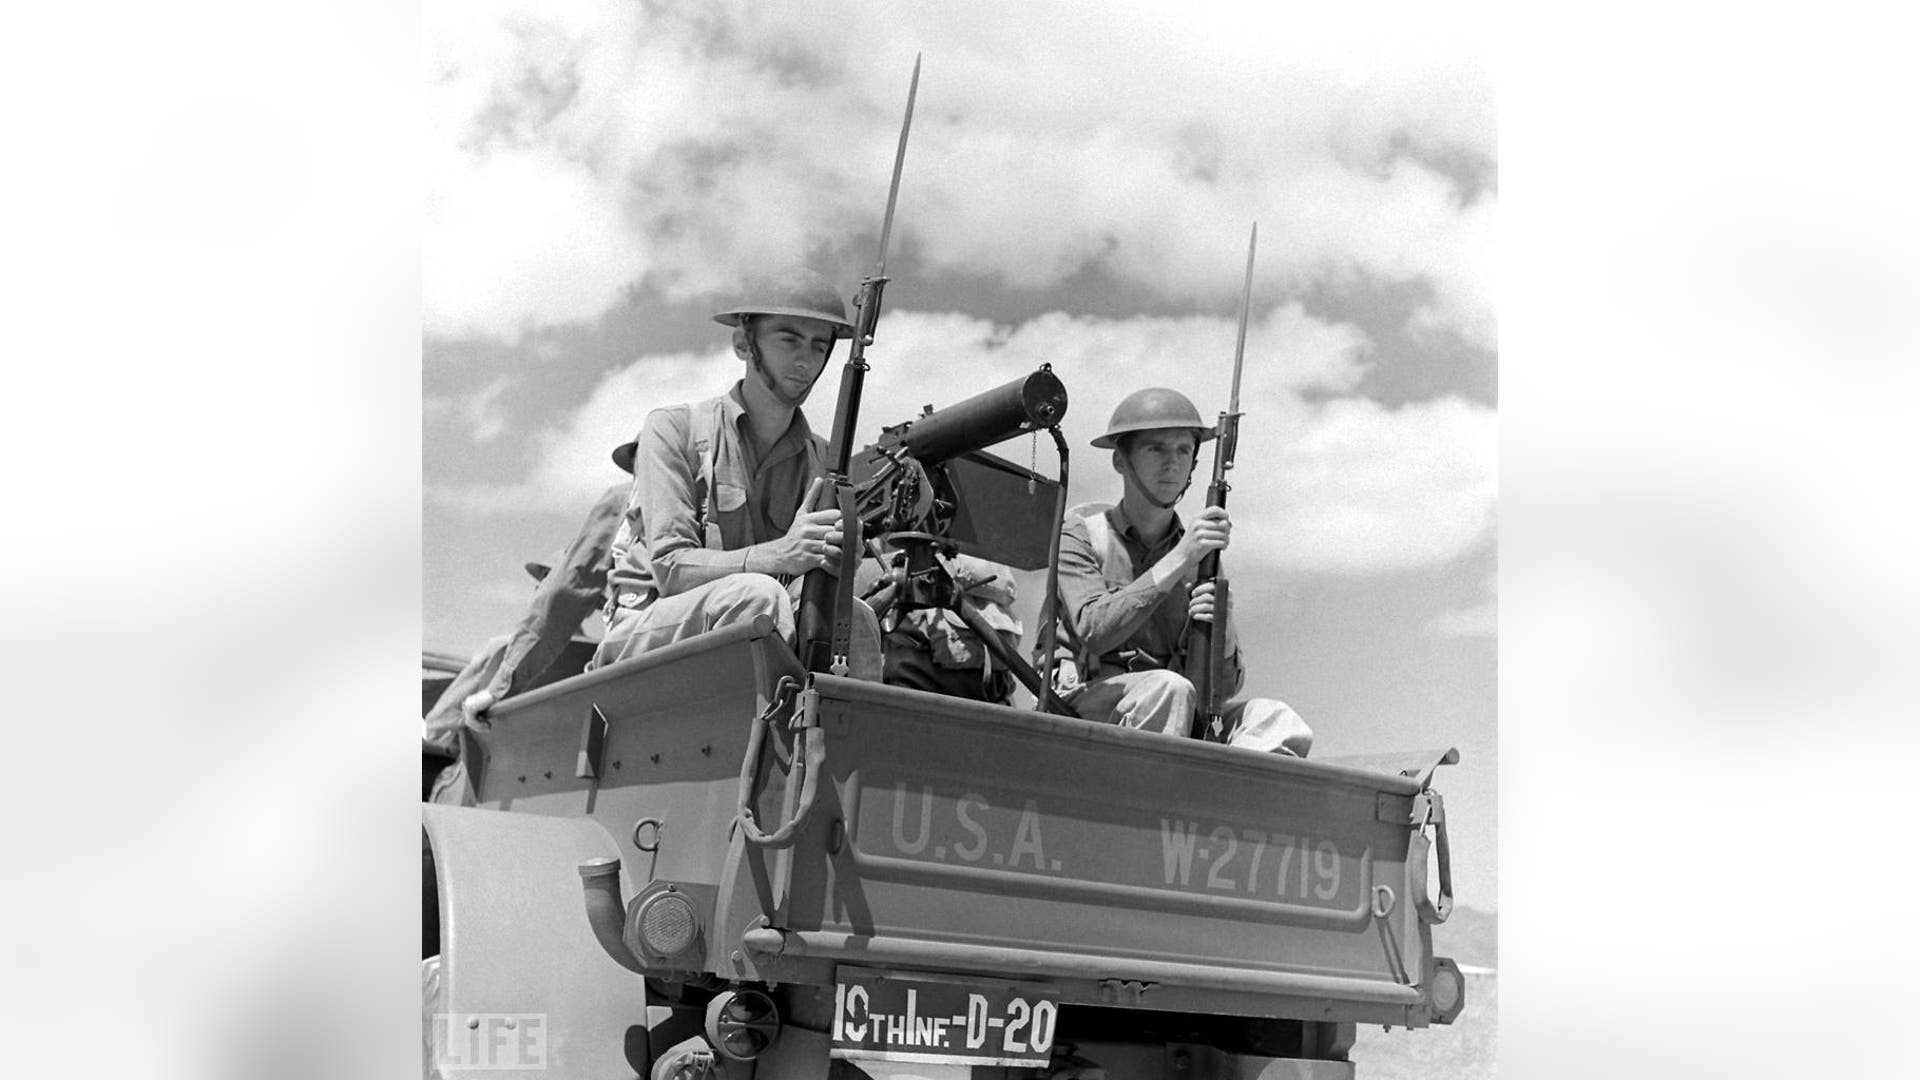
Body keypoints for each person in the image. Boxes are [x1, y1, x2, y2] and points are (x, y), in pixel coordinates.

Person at [594, 266, 880, 675]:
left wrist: (842, 560)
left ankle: (841, 718)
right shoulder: (674, 429)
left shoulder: (823, 460)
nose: (805, 360)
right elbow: (670, 569)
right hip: (648, 632)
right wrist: (781, 554)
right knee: (757, 596)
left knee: (854, 617)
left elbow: (812, 583)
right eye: (789, 339)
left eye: (819, 346)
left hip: (753, 626)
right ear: (744, 344)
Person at [1052, 387, 1312, 755]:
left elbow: (1223, 688)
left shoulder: (1198, 555)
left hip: (1176, 714)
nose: (1172, 463)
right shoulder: (1081, 535)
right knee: (1167, 689)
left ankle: (1216, 790)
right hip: (1086, 710)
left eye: (1184, 450)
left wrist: (1222, 628)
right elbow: (1094, 630)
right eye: (1155, 449)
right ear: (1120, 461)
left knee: (1278, 720)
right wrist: (1179, 559)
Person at [423, 481, 629, 806]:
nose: (539, 588)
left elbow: (439, 728)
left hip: (481, 774)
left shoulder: (504, 649)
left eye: (546, 580)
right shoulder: (594, 655)